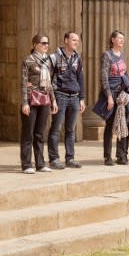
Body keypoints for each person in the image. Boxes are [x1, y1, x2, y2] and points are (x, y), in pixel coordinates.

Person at [93, 30, 129, 165]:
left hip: (122, 95)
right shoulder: (107, 55)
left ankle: (121, 155)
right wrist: (109, 97)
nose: (122, 40)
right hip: (111, 94)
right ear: (112, 40)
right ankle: (107, 156)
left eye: (123, 38)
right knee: (110, 126)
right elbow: (104, 77)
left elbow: (125, 75)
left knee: (124, 124)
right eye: (120, 38)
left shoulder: (121, 55)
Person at [20, 33, 58, 174]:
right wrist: (25, 103)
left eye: (47, 43)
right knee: (28, 134)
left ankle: (40, 163)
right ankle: (26, 164)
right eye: (43, 43)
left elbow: (49, 83)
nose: (46, 45)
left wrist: (53, 100)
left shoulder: (47, 61)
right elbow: (24, 83)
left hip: (45, 100)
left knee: (40, 134)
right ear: (35, 44)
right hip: (31, 100)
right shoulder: (28, 61)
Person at [47, 32, 85, 169]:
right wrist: (52, 100)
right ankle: (54, 159)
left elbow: (80, 79)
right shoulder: (54, 57)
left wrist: (82, 98)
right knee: (56, 129)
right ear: (66, 40)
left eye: (77, 40)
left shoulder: (77, 58)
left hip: (74, 97)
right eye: (73, 40)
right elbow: (48, 80)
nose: (76, 42)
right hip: (60, 95)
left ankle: (70, 158)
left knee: (71, 130)